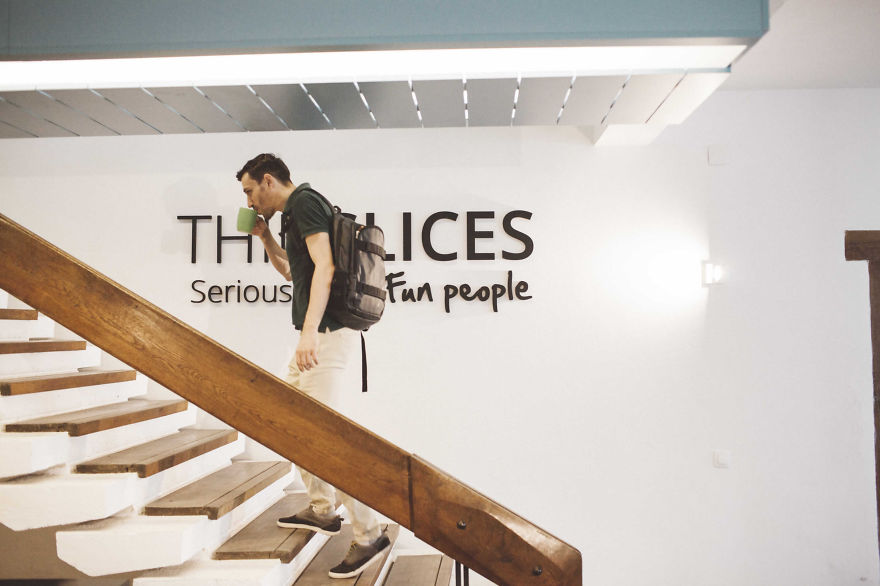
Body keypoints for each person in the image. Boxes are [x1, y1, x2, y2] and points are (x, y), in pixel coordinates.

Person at [236, 153, 389, 579]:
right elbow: (294, 273)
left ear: (268, 181)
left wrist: (309, 333)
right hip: (315, 336)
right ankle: (322, 508)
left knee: (327, 440)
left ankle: (369, 534)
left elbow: (326, 267)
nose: (249, 200)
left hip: (325, 336)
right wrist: (266, 238)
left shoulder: (304, 202)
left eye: (250, 190)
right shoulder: (289, 215)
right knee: (289, 418)